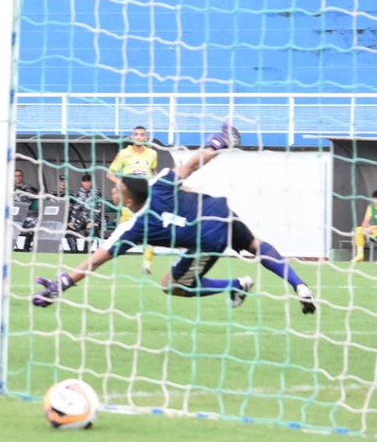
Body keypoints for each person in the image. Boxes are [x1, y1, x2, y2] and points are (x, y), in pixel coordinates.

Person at [32, 123, 318, 315]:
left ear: (129, 199)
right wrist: (218, 142)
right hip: (220, 211)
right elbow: (192, 164)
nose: (113, 192)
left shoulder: (133, 227)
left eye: (116, 190)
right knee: (255, 245)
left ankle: (233, 284)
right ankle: (298, 284)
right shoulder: (159, 183)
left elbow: (96, 259)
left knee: (172, 285)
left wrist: (63, 284)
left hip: (206, 237)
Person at [107, 125, 157, 274]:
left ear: (146, 138)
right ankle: (107, 253)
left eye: (142, 134)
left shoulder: (152, 154)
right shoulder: (124, 153)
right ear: (132, 137)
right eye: (136, 134)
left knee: (150, 230)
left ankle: (147, 265)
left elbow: (153, 171)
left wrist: (158, 182)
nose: (139, 137)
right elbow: (110, 173)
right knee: (123, 228)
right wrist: (121, 185)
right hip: (129, 198)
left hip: (145, 197)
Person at [354, 190, 377, 263]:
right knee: (358, 229)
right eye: (375, 200)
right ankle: (360, 255)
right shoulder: (371, 207)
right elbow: (365, 222)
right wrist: (366, 229)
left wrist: (372, 227)